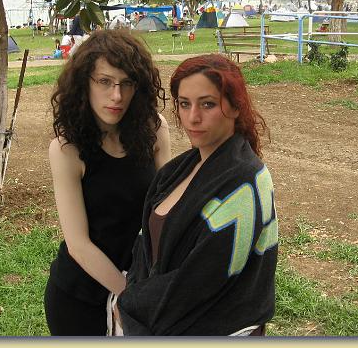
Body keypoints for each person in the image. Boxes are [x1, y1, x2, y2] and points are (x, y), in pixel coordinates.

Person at [115, 54, 278, 336]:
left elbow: (199, 283)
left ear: (235, 106)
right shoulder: (178, 170)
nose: (193, 117)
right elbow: (145, 248)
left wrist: (129, 303)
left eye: (208, 104)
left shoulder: (245, 184)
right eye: (184, 104)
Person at [44, 29, 172, 336]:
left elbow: (169, 210)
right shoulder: (67, 150)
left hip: (142, 284)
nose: (117, 96)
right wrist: (130, 295)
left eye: (127, 83)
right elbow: (79, 245)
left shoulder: (154, 130)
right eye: (105, 81)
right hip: (80, 300)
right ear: (84, 83)